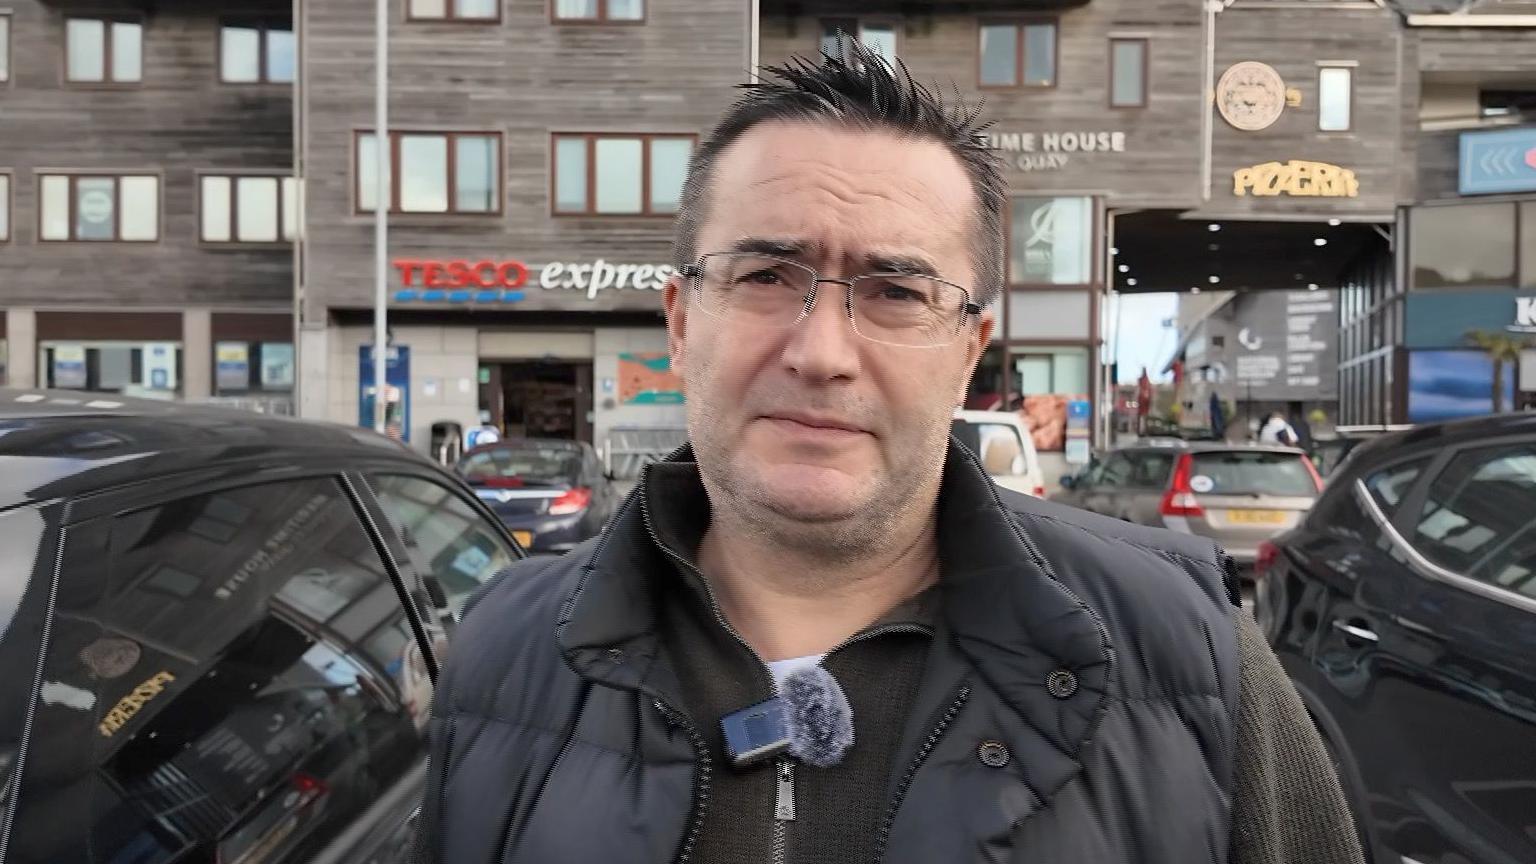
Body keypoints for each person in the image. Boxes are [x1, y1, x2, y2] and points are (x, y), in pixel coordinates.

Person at [417, 45, 1365, 864]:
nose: (821, 352)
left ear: (968, 351)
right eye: (764, 276)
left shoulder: (1195, 656)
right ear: (680, 322)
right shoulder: (505, 650)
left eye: (896, 294)